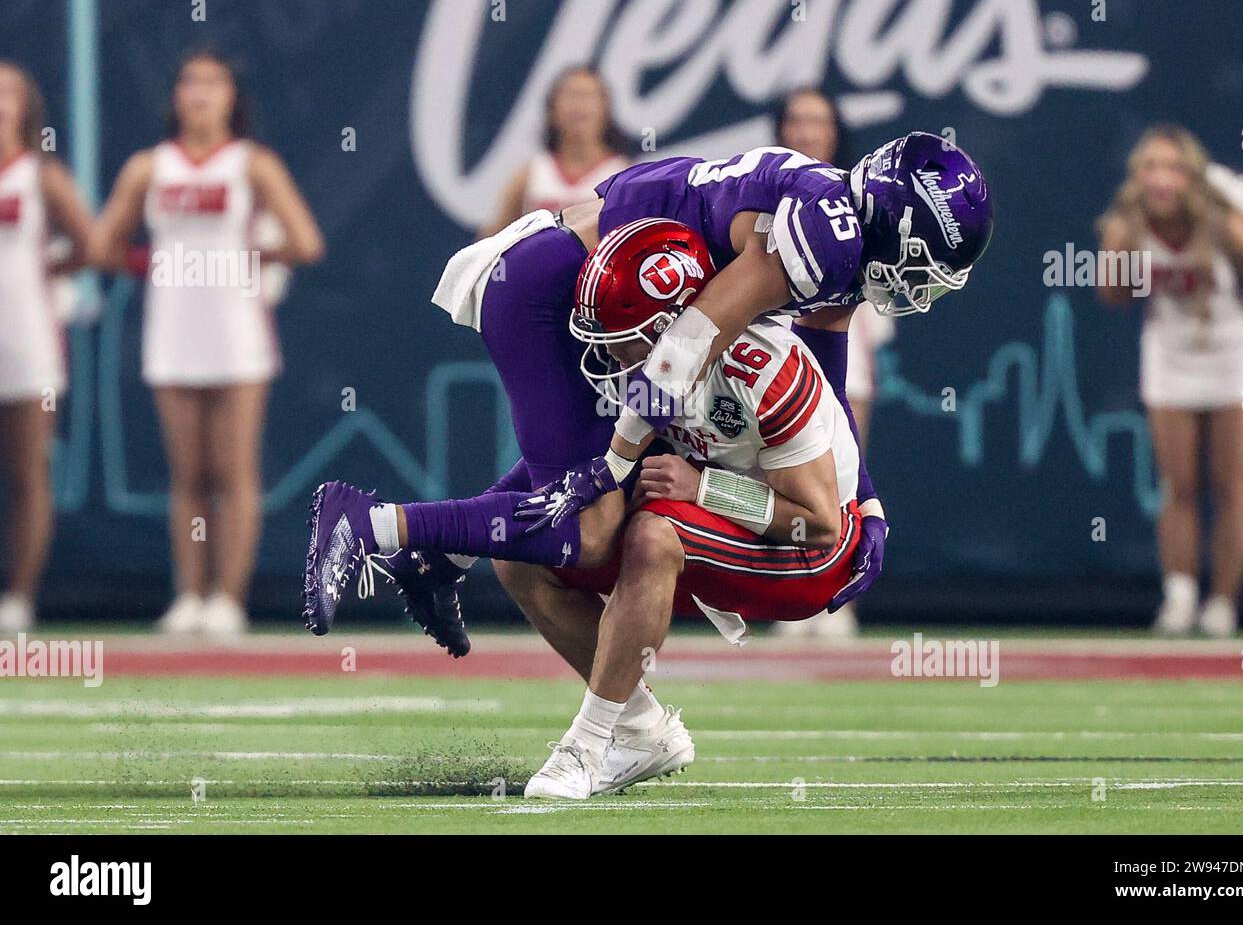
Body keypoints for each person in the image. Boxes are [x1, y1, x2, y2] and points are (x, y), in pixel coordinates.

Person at [304, 219, 872, 798]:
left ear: (670, 329)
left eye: (620, 333)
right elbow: (569, 481)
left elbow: (819, 521)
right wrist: (455, 546)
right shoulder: (653, 368)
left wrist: (704, 490)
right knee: (527, 556)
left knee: (656, 533)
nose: (606, 349)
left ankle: (588, 745)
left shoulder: (765, 373)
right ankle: (643, 728)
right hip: (712, 522)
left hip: (808, 558)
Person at [92, 47, 323, 636]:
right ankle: (188, 594)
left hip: (237, 333)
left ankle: (228, 597)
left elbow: (305, 240)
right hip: (172, 331)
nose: (200, 94)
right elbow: (102, 246)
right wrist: (154, 263)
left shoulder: (253, 165)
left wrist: (247, 254)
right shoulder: (150, 167)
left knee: (233, 470)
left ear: (231, 98)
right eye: (190, 82)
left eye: (214, 83)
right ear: (175, 96)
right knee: (187, 474)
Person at [1096, 125, 1243, 636]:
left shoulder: (1225, 217)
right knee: (1178, 485)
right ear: (1138, 177)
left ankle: (1223, 604)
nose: (1162, 180)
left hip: (1235, 356)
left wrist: (1236, 239)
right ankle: (1180, 597)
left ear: (1193, 176)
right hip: (1171, 356)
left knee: (1232, 485)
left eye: (1174, 168)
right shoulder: (1130, 224)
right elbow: (1113, 298)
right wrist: (1117, 254)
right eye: (1151, 168)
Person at [770, 88, 896, 639]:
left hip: (843, 353)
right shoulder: (768, 192)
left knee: (842, 476)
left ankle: (835, 595)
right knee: (781, 480)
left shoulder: (861, 199)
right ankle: (783, 593)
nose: (806, 131)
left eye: (817, 121)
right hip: (775, 359)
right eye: (796, 120)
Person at [0, 61, 95, 632]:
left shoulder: (42, 176)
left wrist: (47, 269)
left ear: (26, 107)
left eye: (9, 92)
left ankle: (18, 596)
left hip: (26, 341)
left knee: (27, 470)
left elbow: (93, 242)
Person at [481, 66, 628, 236]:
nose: (580, 105)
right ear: (552, 109)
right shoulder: (531, 175)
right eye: (572, 96)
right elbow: (490, 244)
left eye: (589, 96)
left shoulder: (622, 175)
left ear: (605, 108)